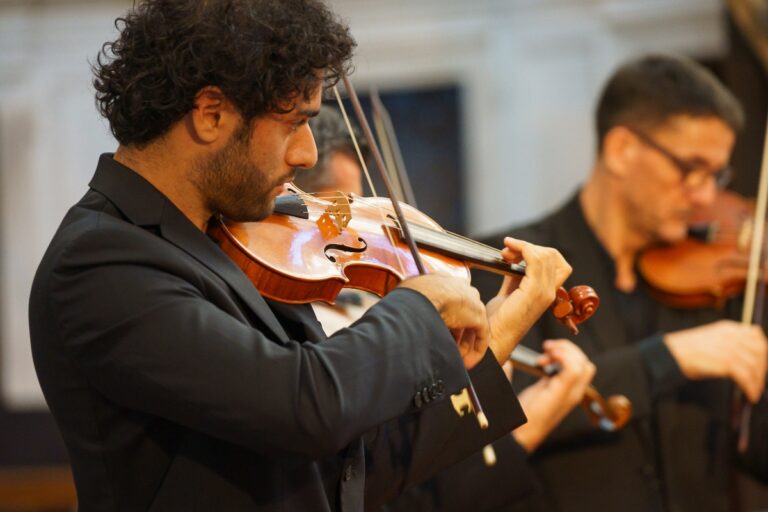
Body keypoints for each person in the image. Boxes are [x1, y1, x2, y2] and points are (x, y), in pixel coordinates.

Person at [28, 1, 573, 511]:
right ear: (211, 114)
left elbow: (347, 475)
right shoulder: (100, 260)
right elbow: (306, 405)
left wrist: (494, 338)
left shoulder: (229, 238)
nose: (308, 153)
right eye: (294, 122)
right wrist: (418, 308)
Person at [473, 54, 768, 511]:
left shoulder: (718, 281)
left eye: (717, 174)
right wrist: (668, 358)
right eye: (691, 169)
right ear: (621, 150)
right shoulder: (514, 268)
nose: (708, 196)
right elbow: (486, 431)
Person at [297, 108, 598, 511]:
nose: (356, 227)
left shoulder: (356, 308)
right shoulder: (314, 347)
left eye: (355, 207)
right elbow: (390, 489)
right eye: (335, 213)